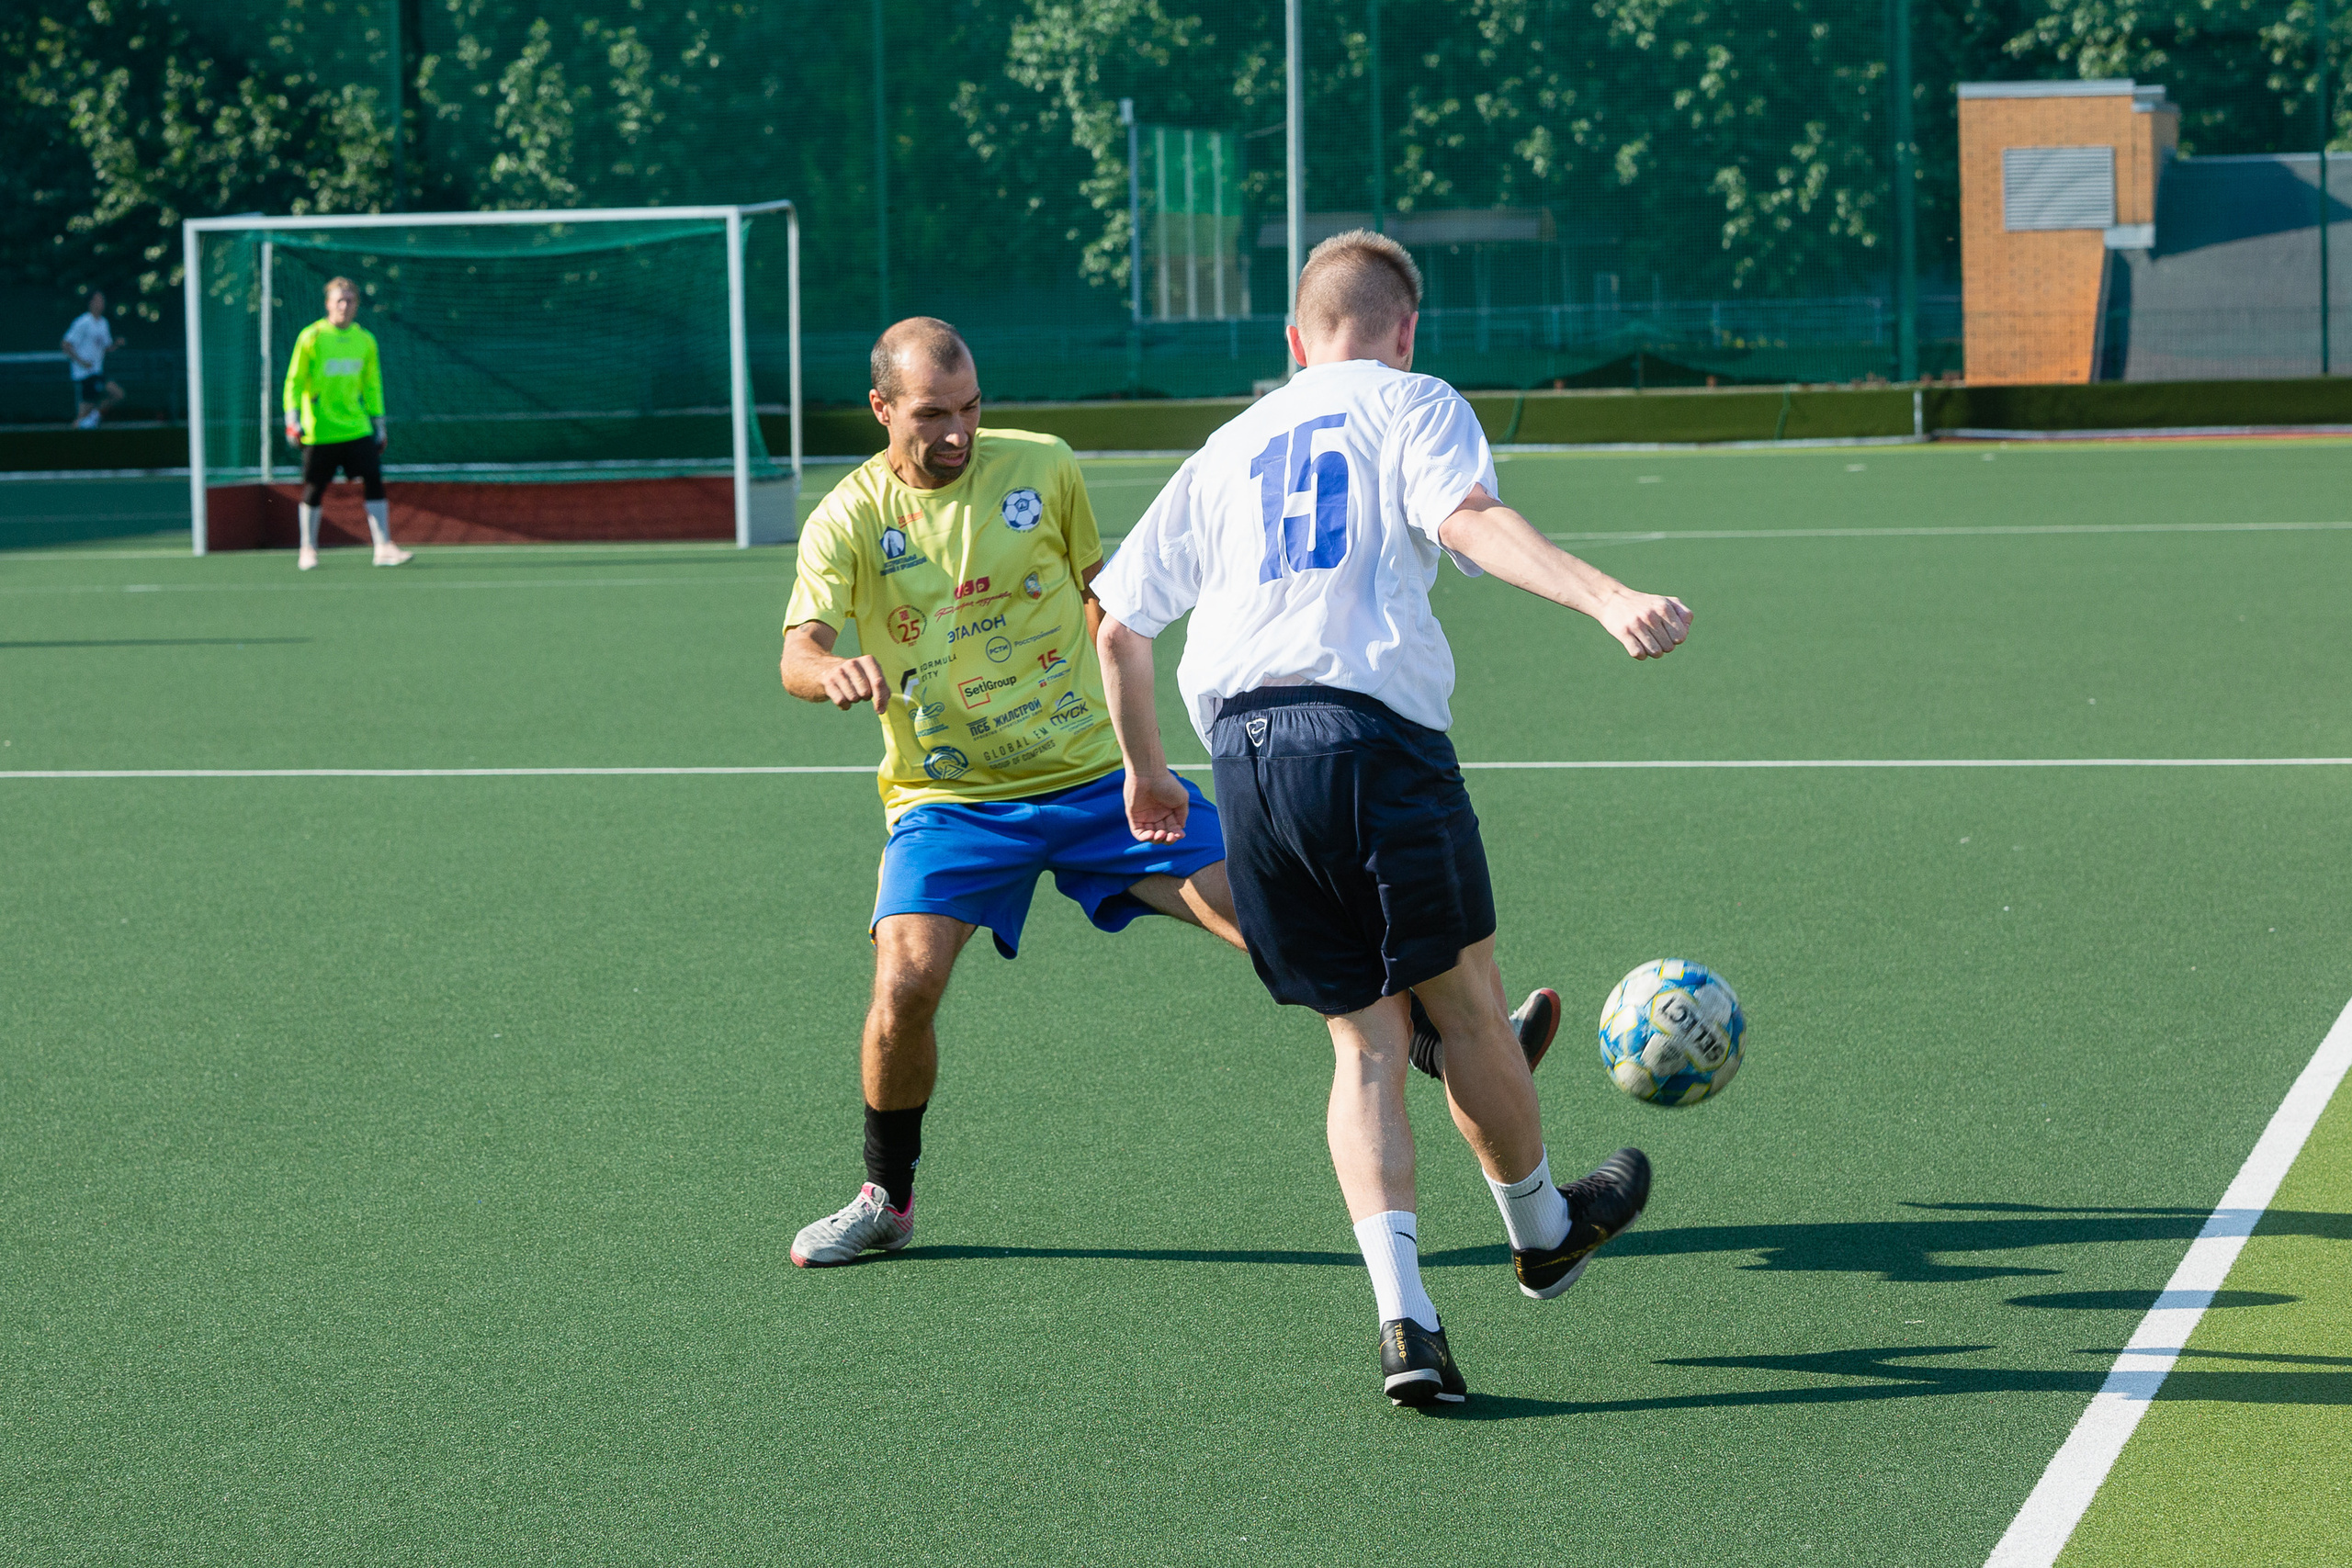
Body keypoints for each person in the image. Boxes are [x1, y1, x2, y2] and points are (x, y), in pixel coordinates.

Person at [777, 318, 1558, 1269]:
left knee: (1276, 921)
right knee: (904, 984)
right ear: (882, 409)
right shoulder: (847, 517)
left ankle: (1441, 1039)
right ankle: (885, 1198)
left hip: (1099, 782)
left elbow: (1110, 593)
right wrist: (834, 673)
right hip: (951, 803)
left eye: (971, 408)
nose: (958, 432)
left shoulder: (1043, 468)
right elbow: (797, 653)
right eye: (932, 415)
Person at [1091, 229, 1692, 1406]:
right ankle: (1542, 1233)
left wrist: (1147, 776)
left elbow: (1117, 623)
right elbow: (1464, 519)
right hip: (1368, 741)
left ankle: (1405, 1324)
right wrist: (1603, 593)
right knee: (1471, 1009)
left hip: (1243, 761)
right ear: (1405, 330)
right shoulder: (1413, 402)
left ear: (1293, 340)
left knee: (1363, 1045)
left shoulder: (1227, 443)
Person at [282, 276, 408, 570]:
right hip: (320, 430)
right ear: (328, 304)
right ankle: (308, 549)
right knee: (314, 487)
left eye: (350, 300)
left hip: (356, 426)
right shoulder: (311, 337)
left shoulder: (365, 340)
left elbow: (372, 385)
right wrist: (292, 419)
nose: (344, 305)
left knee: (374, 479)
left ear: (357, 305)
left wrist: (379, 423)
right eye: (339, 300)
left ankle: (383, 547)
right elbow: (294, 381)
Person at [62, 292, 125, 429]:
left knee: (117, 394)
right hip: (85, 374)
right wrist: (81, 362)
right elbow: (66, 344)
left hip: (96, 372)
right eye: (97, 300)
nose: (101, 303)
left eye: (102, 300)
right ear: (90, 303)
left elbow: (106, 347)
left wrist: (116, 344)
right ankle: (81, 426)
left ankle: (92, 419)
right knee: (83, 414)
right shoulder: (83, 322)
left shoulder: (103, 323)